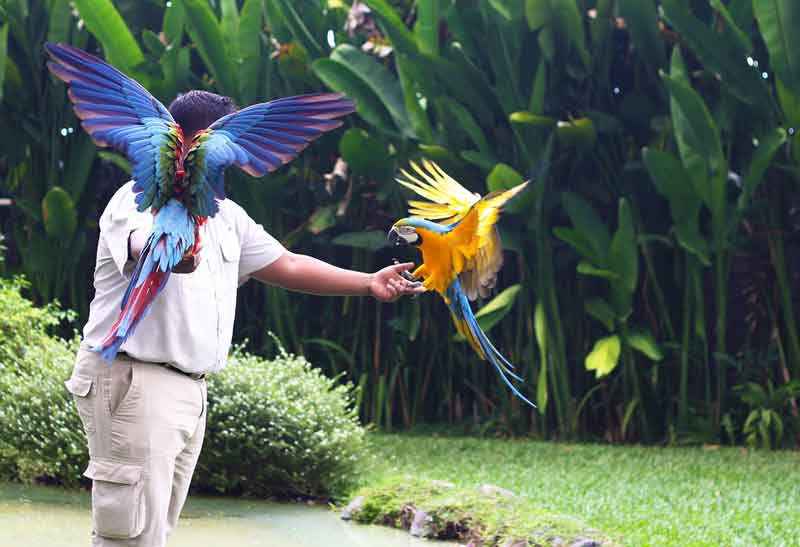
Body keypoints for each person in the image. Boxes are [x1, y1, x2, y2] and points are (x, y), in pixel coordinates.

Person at [64, 90, 424, 547]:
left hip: (190, 390)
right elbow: (139, 242)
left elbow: (288, 264)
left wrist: (368, 282)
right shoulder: (136, 199)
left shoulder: (226, 216)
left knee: (153, 532)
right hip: (135, 380)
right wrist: (169, 253)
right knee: (130, 537)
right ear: (195, 141)